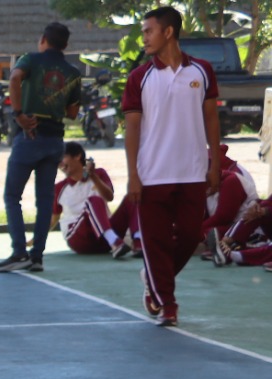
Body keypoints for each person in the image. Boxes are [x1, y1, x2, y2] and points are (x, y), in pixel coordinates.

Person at [121, 5, 220, 326]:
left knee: (191, 237)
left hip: (193, 172)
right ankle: (168, 304)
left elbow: (211, 119)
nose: (144, 38)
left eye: (148, 31)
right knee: (156, 243)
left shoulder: (202, 71)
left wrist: (215, 165)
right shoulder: (139, 77)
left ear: (168, 32)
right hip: (151, 176)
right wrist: (133, 174)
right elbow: (132, 129)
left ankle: (153, 280)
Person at [0, 23, 81, 273]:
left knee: (12, 196)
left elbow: (14, 78)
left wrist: (19, 114)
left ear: (43, 40)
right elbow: (73, 112)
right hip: (55, 141)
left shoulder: (30, 59)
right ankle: (37, 256)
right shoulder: (73, 73)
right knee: (44, 200)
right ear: (65, 45)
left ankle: (19, 252)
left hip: (29, 135)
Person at [50, 142, 119, 254]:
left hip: (103, 239)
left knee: (132, 197)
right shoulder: (59, 188)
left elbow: (109, 197)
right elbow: (53, 219)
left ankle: (137, 241)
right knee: (93, 200)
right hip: (79, 239)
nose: (59, 163)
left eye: (62, 157)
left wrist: (93, 176)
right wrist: (36, 239)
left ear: (77, 156)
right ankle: (114, 240)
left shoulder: (99, 174)